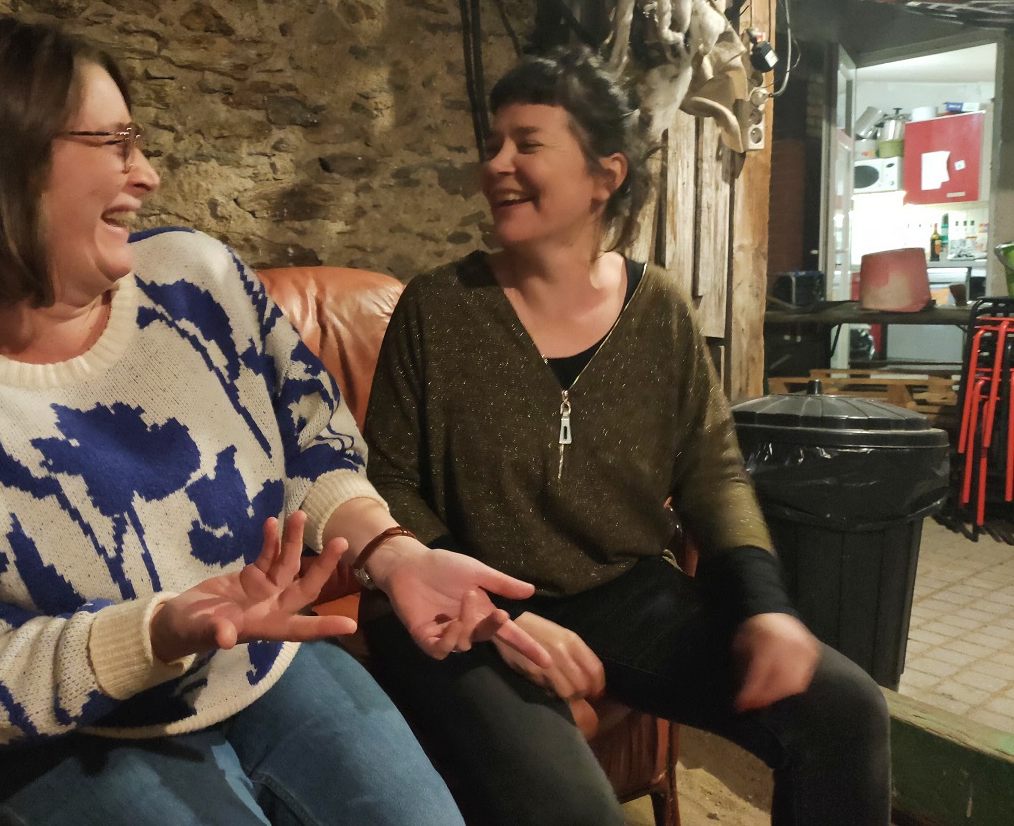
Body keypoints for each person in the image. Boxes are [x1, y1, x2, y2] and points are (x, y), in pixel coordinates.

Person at [0, 13, 550, 826]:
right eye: (117, 143)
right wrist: (156, 632)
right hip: (74, 733)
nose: (149, 174)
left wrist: (392, 551)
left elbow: (311, 442)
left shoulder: (196, 278)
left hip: (273, 666)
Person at [361, 49, 891, 826]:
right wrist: (491, 612)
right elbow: (391, 482)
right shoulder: (440, 307)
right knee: (572, 809)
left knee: (846, 710)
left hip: (623, 594)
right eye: (493, 144)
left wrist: (765, 606)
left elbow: (714, 476)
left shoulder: (660, 310)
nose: (497, 165)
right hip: (465, 606)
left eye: (528, 144)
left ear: (604, 176)